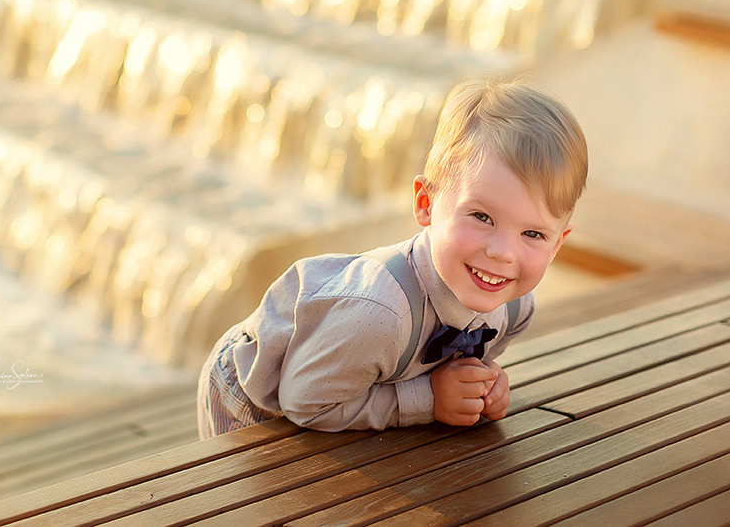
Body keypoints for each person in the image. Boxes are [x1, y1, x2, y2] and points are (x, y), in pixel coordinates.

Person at [197, 77, 587, 438]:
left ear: (557, 245)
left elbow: (456, 365)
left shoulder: (515, 309)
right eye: (482, 217)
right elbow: (303, 401)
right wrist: (430, 400)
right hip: (260, 394)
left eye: (532, 234)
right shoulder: (379, 313)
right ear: (426, 204)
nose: (502, 253)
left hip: (346, 382)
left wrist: (482, 384)